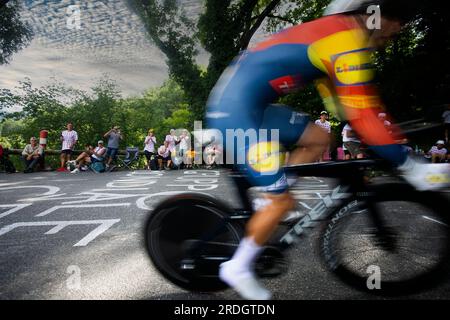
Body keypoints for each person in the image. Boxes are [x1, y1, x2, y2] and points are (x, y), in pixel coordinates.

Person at [206, 0, 449, 300]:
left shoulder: (335, 37)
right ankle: (238, 267)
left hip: (253, 105)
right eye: (395, 15)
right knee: (280, 202)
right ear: (366, 14)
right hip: (235, 112)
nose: (400, 26)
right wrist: (412, 167)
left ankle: (271, 199)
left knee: (319, 139)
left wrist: (388, 145)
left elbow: (348, 109)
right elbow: (362, 114)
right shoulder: (345, 40)